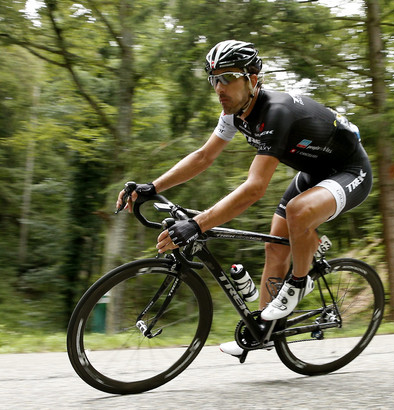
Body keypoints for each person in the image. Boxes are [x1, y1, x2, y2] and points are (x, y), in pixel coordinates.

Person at [116, 40, 372, 357]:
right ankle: (265, 330)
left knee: (297, 211)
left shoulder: (275, 113)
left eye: (227, 78)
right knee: (275, 246)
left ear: (252, 79)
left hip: (349, 170)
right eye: (214, 79)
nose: (218, 88)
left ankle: (299, 281)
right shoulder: (236, 113)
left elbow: (254, 188)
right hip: (313, 173)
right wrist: (151, 187)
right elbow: (203, 156)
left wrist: (197, 224)